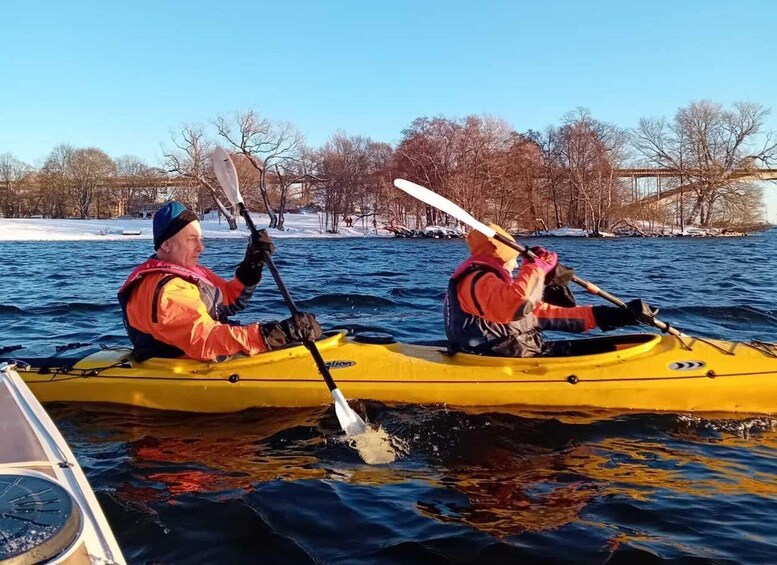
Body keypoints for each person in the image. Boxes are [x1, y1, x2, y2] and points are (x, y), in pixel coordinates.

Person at [118, 201, 322, 362]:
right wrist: (271, 335)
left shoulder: (189, 272)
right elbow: (205, 341)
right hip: (186, 366)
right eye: (191, 240)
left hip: (209, 355)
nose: (201, 247)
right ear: (167, 244)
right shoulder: (169, 289)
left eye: (200, 238)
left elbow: (231, 299)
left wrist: (252, 263)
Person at [444, 223, 655, 357]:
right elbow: (513, 305)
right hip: (495, 361)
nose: (516, 266)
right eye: (513, 260)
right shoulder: (477, 280)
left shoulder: (493, 284)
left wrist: (616, 316)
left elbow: (550, 314)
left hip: (523, 354)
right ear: (500, 259)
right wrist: (536, 268)